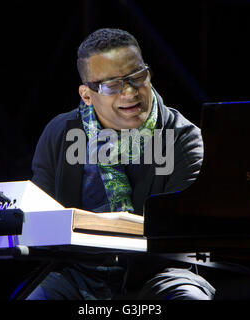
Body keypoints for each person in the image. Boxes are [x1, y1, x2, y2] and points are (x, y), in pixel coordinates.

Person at [26, 28, 215, 300]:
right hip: (78, 275)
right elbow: (40, 222)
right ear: (87, 95)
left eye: (137, 77)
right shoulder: (59, 134)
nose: (129, 92)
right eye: (112, 85)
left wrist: (111, 225)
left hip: (161, 274)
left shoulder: (183, 138)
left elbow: (183, 231)